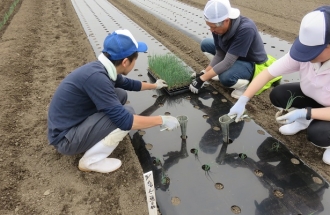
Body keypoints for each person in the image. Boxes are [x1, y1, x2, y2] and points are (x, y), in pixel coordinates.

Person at [47, 29, 180, 173]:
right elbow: (126, 121)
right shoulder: (97, 78)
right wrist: (161, 120)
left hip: (70, 124)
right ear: (125, 62)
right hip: (65, 140)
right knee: (127, 114)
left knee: (120, 94)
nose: (135, 62)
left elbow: (129, 84)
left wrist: (155, 85)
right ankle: (91, 161)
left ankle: (97, 134)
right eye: (135, 58)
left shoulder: (102, 68)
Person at [228, 6, 330, 165]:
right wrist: (243, 100)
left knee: (319, 134)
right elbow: (267, 74)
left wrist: (305, 112)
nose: (306, 56)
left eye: (312, 52)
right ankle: (303, 122)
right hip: (316, 99)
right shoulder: (305, 55)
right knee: (279, 94)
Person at [189, 0, 281, 99]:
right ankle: (218, 71)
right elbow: (220, 54)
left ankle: (245, 85)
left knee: (225, 78)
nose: (211, 30)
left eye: (213, 27)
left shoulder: (246, 29)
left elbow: (228, 62)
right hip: (233, 54)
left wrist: (202, 79)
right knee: (206, 44)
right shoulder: (218, 27)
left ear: (226, 21)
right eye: (209, 26)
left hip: (251, 62)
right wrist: (204, 73)